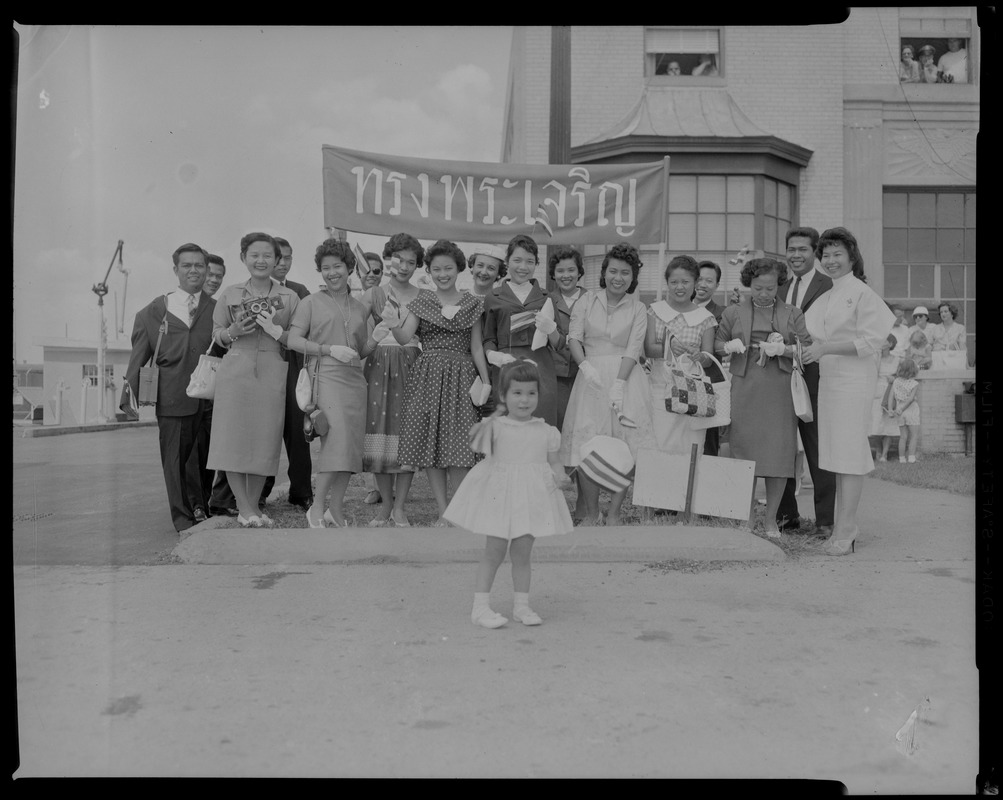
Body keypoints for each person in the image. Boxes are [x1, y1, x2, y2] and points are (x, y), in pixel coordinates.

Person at [443, 360, 573, 628]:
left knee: (523, 553)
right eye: (517, 393)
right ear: (503, 396)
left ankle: (521, 606)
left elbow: (554, 461)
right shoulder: (496, 427)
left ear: (538, 394)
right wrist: (491, 419)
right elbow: (477, 443)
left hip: (531, 497)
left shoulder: (546, 431)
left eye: (531, 393)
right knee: (495, 551)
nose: (524, 400)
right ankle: (480, 607)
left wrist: (560, 476)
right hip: (501, 497)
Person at [801, 227, 895, 555]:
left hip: (854, 382)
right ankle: (843, 525)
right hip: (831, 381)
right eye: (825, 255)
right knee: (838, 455)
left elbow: (872, 340)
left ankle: (848, 526)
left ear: (852, 256)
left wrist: (825, 350)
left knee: (850, 453)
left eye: (837, 254)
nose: (831, 260)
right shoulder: (828, 295)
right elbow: (811, 337)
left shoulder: (862, 293)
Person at [388, 239, 492, 525]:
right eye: (436, 269)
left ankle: (460, 510)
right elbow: (405, 337)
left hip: (461, 375)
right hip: (428, 374)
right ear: (429, 271)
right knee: (431, 444)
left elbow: (476, 347)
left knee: (460, 444)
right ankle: (444, 511)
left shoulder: (473, 303)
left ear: (459, 269)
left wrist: (485, 380)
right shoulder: (421, 301)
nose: (442, 274)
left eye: (448, 268)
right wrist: (391, 322)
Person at [120, 243, 217, 533]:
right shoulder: (153, 311)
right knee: (175, 460)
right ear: (175, 270)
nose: (193, 270)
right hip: (172, 396)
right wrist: (129, 396)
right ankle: (182, 517)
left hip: (210, 396)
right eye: (186, 265)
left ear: (207, 270)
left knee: (206, 457)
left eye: (199, 265)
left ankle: (202, 506)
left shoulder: (217, 308)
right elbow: (139, 356)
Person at [206, 232, 301, 527]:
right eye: (254, 255)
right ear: (243, 258)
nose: (261, 261)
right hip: (236, 368)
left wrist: (276, 331)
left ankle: (254, 508)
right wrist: (233, 330)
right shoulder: (230, 294)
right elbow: (216, 336)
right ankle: (246, 509)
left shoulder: (290, 297)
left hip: (272, 368)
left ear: (277, 260)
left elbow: (296, 338)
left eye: (267, 256)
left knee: (266, 439)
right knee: (232, 439)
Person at [559, 242, 654, 526]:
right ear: (604, 272)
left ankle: (614, 513)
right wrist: (585, 365)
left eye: (625, 273)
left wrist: (620, 383)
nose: (618, 278)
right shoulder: (586, 301)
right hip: (591, 378)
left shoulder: (639, 308)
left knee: (624, 445)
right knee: (589, 443)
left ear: (633, 277)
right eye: (613, 271)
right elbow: (573, 336)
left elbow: (634, 347)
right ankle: (591, 511)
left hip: (627, 378)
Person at [715, 257, 811, 538]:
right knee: (743, 451)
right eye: (758, 288)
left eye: (770, 288)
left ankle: (771, 520)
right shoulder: (733, 312)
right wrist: (729, 345)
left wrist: (784, 349)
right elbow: (718, 343)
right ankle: (746, 519)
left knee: (779, 454)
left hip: (779, 387)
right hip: (745, 386)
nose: (764, 294)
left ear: (778, 285)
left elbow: (807, 347)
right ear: (749, 284)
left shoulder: (793, 312)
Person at [285, 239, 372, 528]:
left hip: (354, 380)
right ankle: (316, 507)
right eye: (325, 268)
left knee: (350, 447)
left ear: (349, 268)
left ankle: (335, 509)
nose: (332, 272)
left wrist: (380, 334)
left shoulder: (360, 308)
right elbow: (293, 340)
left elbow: (361, 349)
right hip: (325, 374)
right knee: (335, 441)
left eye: (337, 266)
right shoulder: (310, 302)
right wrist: (327, 349)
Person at [355, 232, 425, 526]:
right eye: (399, 259)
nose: (404, 266)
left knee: (406, 436)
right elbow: (353, 327)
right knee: (378, 434)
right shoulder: (373, 294)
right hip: (378, 363)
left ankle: (400, 507)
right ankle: (385, 507)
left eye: (411, 261)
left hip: (411, 363)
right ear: (388, 259)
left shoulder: (423, 296)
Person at [775, 227, 836, 537]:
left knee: (817, 447)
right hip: (782, 373)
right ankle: (787, 517)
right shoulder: (780, 288)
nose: (796, 255)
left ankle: (826, 520)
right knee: (783, 446)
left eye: (803, 249)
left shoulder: (830, 286)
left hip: (816, 374)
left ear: (815, 253)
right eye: (791, 249)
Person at [482, 234, 562, 428]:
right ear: (507, 262)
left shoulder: (546, 297)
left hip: (541, 368)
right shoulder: (494, 297)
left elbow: (559, 344)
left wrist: (550, 329)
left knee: (541, 423)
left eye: (530, 261)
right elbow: (488, 338)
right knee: (508, 426)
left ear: (536, 264)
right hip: (506, 367)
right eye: (517, 260)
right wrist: (493, 355)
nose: (523, 267)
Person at [258, 236, 314, 511]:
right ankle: (259, 491)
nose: (283, 263)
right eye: (278, 257)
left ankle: (301, 490)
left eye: (288, 258)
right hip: (265, 368)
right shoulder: (256, 290)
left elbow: (307, 330)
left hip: (294, 366)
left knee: (297, 430)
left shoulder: (299, 291)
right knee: (265, 431)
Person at [644, 255, 717, 459]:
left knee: (690, 447)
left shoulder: (705, 318)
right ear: (667, 283)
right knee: (658, 443)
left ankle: (686, 490)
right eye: (674, 282)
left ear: (695, 283)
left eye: (685, 282)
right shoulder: (655, 311)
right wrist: (670, 346)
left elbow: (708, 357)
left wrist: (697, 356)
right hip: (660, 384)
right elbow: (649, 349)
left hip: (694, 389)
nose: (680, 287)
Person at [547, 245, 587, 518]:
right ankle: (556, 503)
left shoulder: (592, 299)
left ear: (580, 272)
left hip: (586, 377)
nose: (566, 275)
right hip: (557, 377)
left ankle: (585, 502)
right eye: (560, 270)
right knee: (558, 439)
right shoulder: (547, 300)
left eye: (571, 269)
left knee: (585, 438)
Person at [186, 251, 226, 520]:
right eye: (210, 274)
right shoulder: (182, 306)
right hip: (188, 388)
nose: (213, 280)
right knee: (192, 450)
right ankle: (196, 503)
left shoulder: (219, 307)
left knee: (211, 448)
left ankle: (207, 500)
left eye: (219, 277)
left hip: (214, 388)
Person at [694, 260, 726, 456]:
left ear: (716, 285)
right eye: (698, 279)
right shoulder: (677, 309)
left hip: (709, 384)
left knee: (709, 440)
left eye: (709, 280)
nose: (702, 284)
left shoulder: (722, 314)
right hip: (678, 380)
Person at [870, 335, 901, 462]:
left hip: (891, 391)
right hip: (877, 391)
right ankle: (878, 449)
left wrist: (895, 378)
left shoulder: (897, 359)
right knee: (876, 423)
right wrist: (877, 356)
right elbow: (873, 373)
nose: (881, 343)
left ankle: (885, 453)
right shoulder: (876, 358)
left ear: (890, 343)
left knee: (889, 423)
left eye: (884, 340)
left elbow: (902, 375)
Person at [889, 357, 921, 463]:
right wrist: (903, 408)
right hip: (911, 410)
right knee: (914, 435)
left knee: (903, 436)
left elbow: (891, 396)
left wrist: (890, 409)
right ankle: (911, 458)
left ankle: (901, 459)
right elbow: (911, 399)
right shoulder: (914, 383)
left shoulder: (896, 381)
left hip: (899, 410)